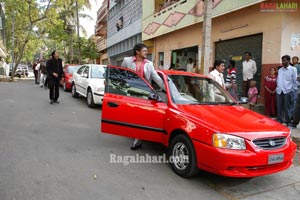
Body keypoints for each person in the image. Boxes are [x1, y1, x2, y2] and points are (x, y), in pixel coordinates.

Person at [121, 43, 165, 150]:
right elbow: (121, 74)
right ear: (137, 52)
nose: (146, 52)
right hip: (132, 92)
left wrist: (166, 88)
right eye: (144, 51)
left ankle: (138, 139)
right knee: (133, 116)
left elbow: (156, 78)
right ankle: (137, 135)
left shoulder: (149, 64)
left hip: (145, 93)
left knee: (140, 116)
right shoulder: (127, 61)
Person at [276, 55, 298, 127]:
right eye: (282, 60)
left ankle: (287, 122)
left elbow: (295, 81)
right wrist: (278, 87)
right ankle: (280, 120)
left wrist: (292, 90)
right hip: (279, 90)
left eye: (285, 60)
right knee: (279, 106)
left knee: (287, 107)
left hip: (288, 91)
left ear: (288, 61)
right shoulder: (280, 70)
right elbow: (278, 79)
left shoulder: (293, 69)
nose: (283, 62)